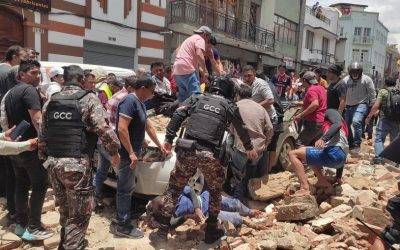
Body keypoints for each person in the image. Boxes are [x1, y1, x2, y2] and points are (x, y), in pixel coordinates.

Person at [160, 77, 257, 244]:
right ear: (229, 91)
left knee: (174, 189)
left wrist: (169, 138)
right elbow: (241, 128)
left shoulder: (196, 98)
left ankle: (162, 231)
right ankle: (211, 231)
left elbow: (177, 113)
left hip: (186, 149)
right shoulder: (228, 105)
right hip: (210, 155)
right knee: (214, 192)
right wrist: (249, 148)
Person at [38, 65, 121, 249]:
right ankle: (72, 245)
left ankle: (65, 243)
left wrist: (44, 158)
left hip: (54, 163)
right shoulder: (89, 99)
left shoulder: (51, 101)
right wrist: (114, 152)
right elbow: (104, 130)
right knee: (80, 215)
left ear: (64, 79)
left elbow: (42, 135)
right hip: (76, 165)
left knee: (66, 210)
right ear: (82, 80)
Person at [4, 60, 52, 241]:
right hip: (31, 146)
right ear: (21, 74)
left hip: (17, 147)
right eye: (33, 72)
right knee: (40, 184)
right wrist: (45, 143)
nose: (38, 76)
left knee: (22, 184)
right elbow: (38, 120)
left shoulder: (10, 92)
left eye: (39, 73)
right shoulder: (29, 90)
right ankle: (34, 226)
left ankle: (20, 224)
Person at [115, 77, 167, 238]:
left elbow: (148, 126)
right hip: (126, 154)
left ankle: (124, 217)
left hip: (134, 152)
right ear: (143, 88)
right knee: (125, 188)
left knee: (129, 186)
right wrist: (130, 152)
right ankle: (122, 225)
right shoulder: (129, 101)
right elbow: (121, 129)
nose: (152, 95)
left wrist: (159, 145)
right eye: (151, 91)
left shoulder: (140, 103)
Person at [289, 109, 349, 196]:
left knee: (293, 154)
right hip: (340, 159)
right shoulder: (343, 127)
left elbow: (337, 124)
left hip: (333, 153)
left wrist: (323, 139)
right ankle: (321, 180)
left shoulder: (330, 112)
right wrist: (338, 177)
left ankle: (304, 188)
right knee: (307, 151)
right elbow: (342, 147)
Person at [228, 84, 273, 200]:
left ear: (238, 95)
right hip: (258, 149)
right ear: (251, 95)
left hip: (241, 148)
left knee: (238, 175)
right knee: (251, 174)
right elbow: (270, 129)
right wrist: (265, 144)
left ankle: (237, 201)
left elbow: (231, 130)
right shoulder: (260, 108)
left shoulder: (235, 106)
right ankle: (249, 196)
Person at [147, 186, 263, 228]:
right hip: (206, 213)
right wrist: (188, 216)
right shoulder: (168, 214)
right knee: (236, 220)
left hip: (206, 198)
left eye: (166, 199)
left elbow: (191, 191)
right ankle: (247, 221)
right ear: (162, 210)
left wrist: (197, 208)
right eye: (165, 204)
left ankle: (250, 212)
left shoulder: (173, 191)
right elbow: (171, 224)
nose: (168, 201)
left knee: (235, 204)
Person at [94, 77, 129, 210]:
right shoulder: (126, 98)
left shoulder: (116, 96)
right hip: (112, 141)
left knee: (101, 172)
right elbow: (122, 126)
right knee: (122, 176)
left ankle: (94, 200)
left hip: (103, 140)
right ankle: (122, 209)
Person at [365, 77, 400, 165]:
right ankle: (395, 162)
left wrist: (369, 117)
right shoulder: (398, 92)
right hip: (396, 120)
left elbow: (376, 105)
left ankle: (379, 158)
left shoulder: (383, 91)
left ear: (385, 83)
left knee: (379, 139)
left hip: (384, 119)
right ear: (394, 83)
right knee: (394, 141)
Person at [343, 62, 376, 154]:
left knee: (356, 121)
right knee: (346, 125)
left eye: (357, 72)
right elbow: (342, 93)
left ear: (360, 72)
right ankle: (350, 142)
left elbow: (372, 93)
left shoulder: (366, 79)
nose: (355, 74)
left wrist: (373, 107)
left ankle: (357, 143)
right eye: (353, 72)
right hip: (348, 105)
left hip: (361, 104)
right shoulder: (346, 80)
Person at [173, 26, 212, 102]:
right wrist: (205, 71)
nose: (207, 40)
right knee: (196, 96)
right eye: (208, 38)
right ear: (205, 35)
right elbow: (199, 55)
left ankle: (181, 112)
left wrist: (202, 74)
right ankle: (195, 113)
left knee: (183, 97)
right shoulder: (200, 39)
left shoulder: (189, 39)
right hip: (187, 69)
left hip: (177, 71)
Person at [294, 71, 327, 147]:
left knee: (299, 144)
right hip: (321, 122)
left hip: (313, 122)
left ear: (304, 80)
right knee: (314, 146)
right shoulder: (321, 88)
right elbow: (318, 102)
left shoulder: (311, 90)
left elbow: (315, 104)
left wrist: (300, 115)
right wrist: (299, 103)